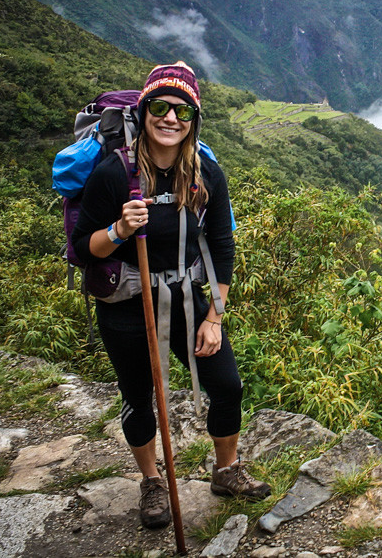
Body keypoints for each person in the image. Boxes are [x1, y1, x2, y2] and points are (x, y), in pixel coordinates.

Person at [72, 62, 270, 529]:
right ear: (143, 112)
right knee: (140, 398)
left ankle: (226, 470)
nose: (170, 119)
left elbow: (222, 245)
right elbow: (82, 249)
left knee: (227, 385)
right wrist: (119, 230)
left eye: (182, 111)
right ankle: (152, 481)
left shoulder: (206, 176)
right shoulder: (113, 175)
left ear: (194, 120)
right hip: (125, 304)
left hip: (185, 299)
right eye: (160, 107)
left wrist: (214, 317)